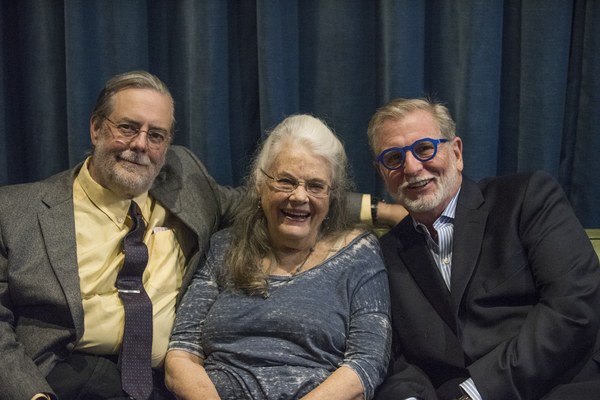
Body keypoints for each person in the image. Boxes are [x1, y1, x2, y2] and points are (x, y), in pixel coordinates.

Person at [0, 71, 402, 400]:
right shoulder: (14, 210)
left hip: (155, 384)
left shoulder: (184, 179)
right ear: (95, 127)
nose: (140, 145)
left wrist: (383, 210)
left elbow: (287, 197)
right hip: (63, 377)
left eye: (156, 134)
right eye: (127, 128)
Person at [369, 98, 600, 400]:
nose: (411, 167)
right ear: (382, 172)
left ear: (456, 152)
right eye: (394, 158)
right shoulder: (384, 254)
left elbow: (574, 306)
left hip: (561, 385)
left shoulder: (526, 198)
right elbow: (394, 358)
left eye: (424, 148)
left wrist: (478, 392)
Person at [165, 114, 392, 400]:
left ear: (333, 196)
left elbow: (367, 362)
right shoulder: (224, 246)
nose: (299, 196)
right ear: (260, 186)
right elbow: (181, 354)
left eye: (315, 186)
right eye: (285, 181)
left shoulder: (360, 254)